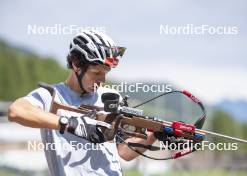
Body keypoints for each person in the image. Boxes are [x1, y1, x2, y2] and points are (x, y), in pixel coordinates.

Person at [8, 30, 156, 176]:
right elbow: (16, 111)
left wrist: (154, 135)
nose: (102, 80)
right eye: (96, 73)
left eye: (105, 74)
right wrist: (72, 124)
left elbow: (124, 152)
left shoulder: (111, 97)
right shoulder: (52, 95)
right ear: (76, 64)